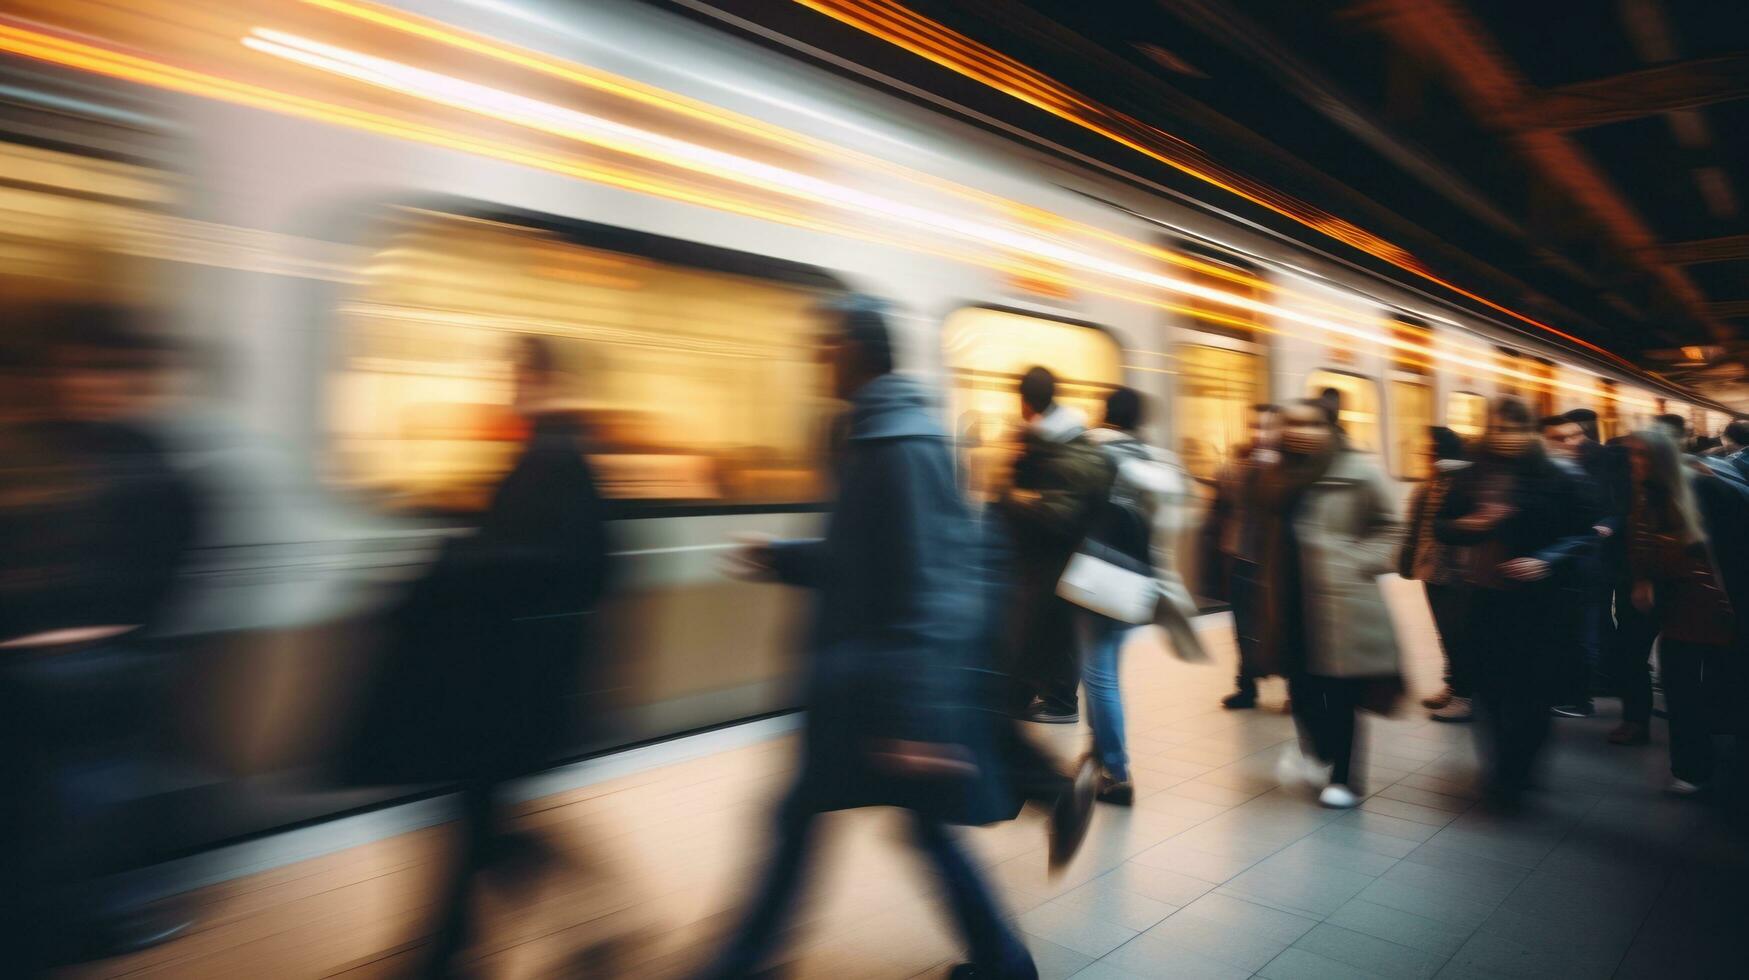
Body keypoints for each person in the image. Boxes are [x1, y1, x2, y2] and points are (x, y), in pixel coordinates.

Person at [710, 296, 1035, 979]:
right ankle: (1001, 961)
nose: (816, 358)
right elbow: (861, 559)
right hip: (863, 682)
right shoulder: (877, 435)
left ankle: (740, 962)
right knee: (876, 826)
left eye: (825, 346)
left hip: (875, 691)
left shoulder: (900, 445)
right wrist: (782, 556)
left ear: (857, 350)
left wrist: (917, 720)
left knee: (812, 823)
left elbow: (930, 587)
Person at [0, 307, 202, 973]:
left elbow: (159, 566)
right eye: (76, 369)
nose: (84, 383)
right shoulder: (48, 447)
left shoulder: (142, 460)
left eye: (103, 370)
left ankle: (108, 916)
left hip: (103, 667)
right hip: (48, 666)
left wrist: (113, 627)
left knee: (90, 801)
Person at [1436, 398, 1596, 807]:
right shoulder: (1473, 474)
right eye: (1497, 428)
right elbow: (1443, 527)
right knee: (1489, 689)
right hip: (1485, 597)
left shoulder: (1558, 473)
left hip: (1540, 603)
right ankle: (1501, 769)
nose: (1504, 437)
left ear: (1529, 431)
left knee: (1531, 691)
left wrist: (1546, 559)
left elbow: (1588, 531)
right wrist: (1471, 525)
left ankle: (1518, 768)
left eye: (1513, 429)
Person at [1256, 401, 1403, 809]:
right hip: (1290, 601)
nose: (1302, 431)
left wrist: (1354, 561)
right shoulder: (1278, 475)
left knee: (1340, 694)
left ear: (1331, 428)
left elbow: (1392, 527)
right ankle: (1318, 754)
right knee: (1301, 691)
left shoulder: (1357, 472)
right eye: (1294, 424)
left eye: (1313, 424)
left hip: (1341, 603)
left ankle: (1346, 778)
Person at [1078, 386, 1197, 803]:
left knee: (1099, 675)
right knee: (1104, 670)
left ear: (1105, 413)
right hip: (1139, 579)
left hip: (1098, 576)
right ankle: (1100, 756)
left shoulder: (1096, 452)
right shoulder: (1153, 460)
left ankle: (1116, 770)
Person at [996, 367, 1114, 724]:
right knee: (1046, 628)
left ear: (1027, 402)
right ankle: (1036, 695)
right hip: (1058, 556)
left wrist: (1013, 498)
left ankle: (1060, 702)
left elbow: (1055, 511)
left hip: (1056, 556)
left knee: (1046, 628)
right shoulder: (1064, 439)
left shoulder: (1058, 446)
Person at [1622, 430, 1737, 797]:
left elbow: (1733, 549)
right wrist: (1644, 579)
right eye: (1632, 456)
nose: (1634, 463)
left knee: (1710, 683)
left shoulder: (1704, 489)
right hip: (1679, 606)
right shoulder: (1650, 493)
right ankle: (1691, 768)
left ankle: (1703, 764)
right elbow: (1643, 544)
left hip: (1715, 603)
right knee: (1682, 685)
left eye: (1642, 456)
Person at [1208, 403, 1283, 710]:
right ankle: (1247, 685)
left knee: (1279, 625)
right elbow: (1223, 503)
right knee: (1243, 627)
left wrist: (1268, 470)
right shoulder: (1236, 466)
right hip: (1240, 557)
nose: (1259, 434)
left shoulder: (1288, 470)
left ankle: (1293, 688)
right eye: (1254, 426)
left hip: (1275, 562)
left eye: (1266, 427)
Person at [1401, 427, 1474, 722]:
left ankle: (1466, 695)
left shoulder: (1463, 481)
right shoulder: (1430, 483)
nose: (1425, 454)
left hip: (1458, 572)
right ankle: (1453, 685)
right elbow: (1416, 528)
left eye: (1430, 448)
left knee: (1459, 633)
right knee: (1444, 632)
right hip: (1432, 570)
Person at [1541, 415, 1610, 719]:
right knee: (1561, 631)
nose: (1571, 443)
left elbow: (1592, 526)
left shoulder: (1592, 470)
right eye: (1560, 438)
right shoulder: (1548, 472)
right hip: (1560, 568)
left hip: (1582, 568)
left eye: (1575, 436)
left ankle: (1580, 698)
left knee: (1582, 633)